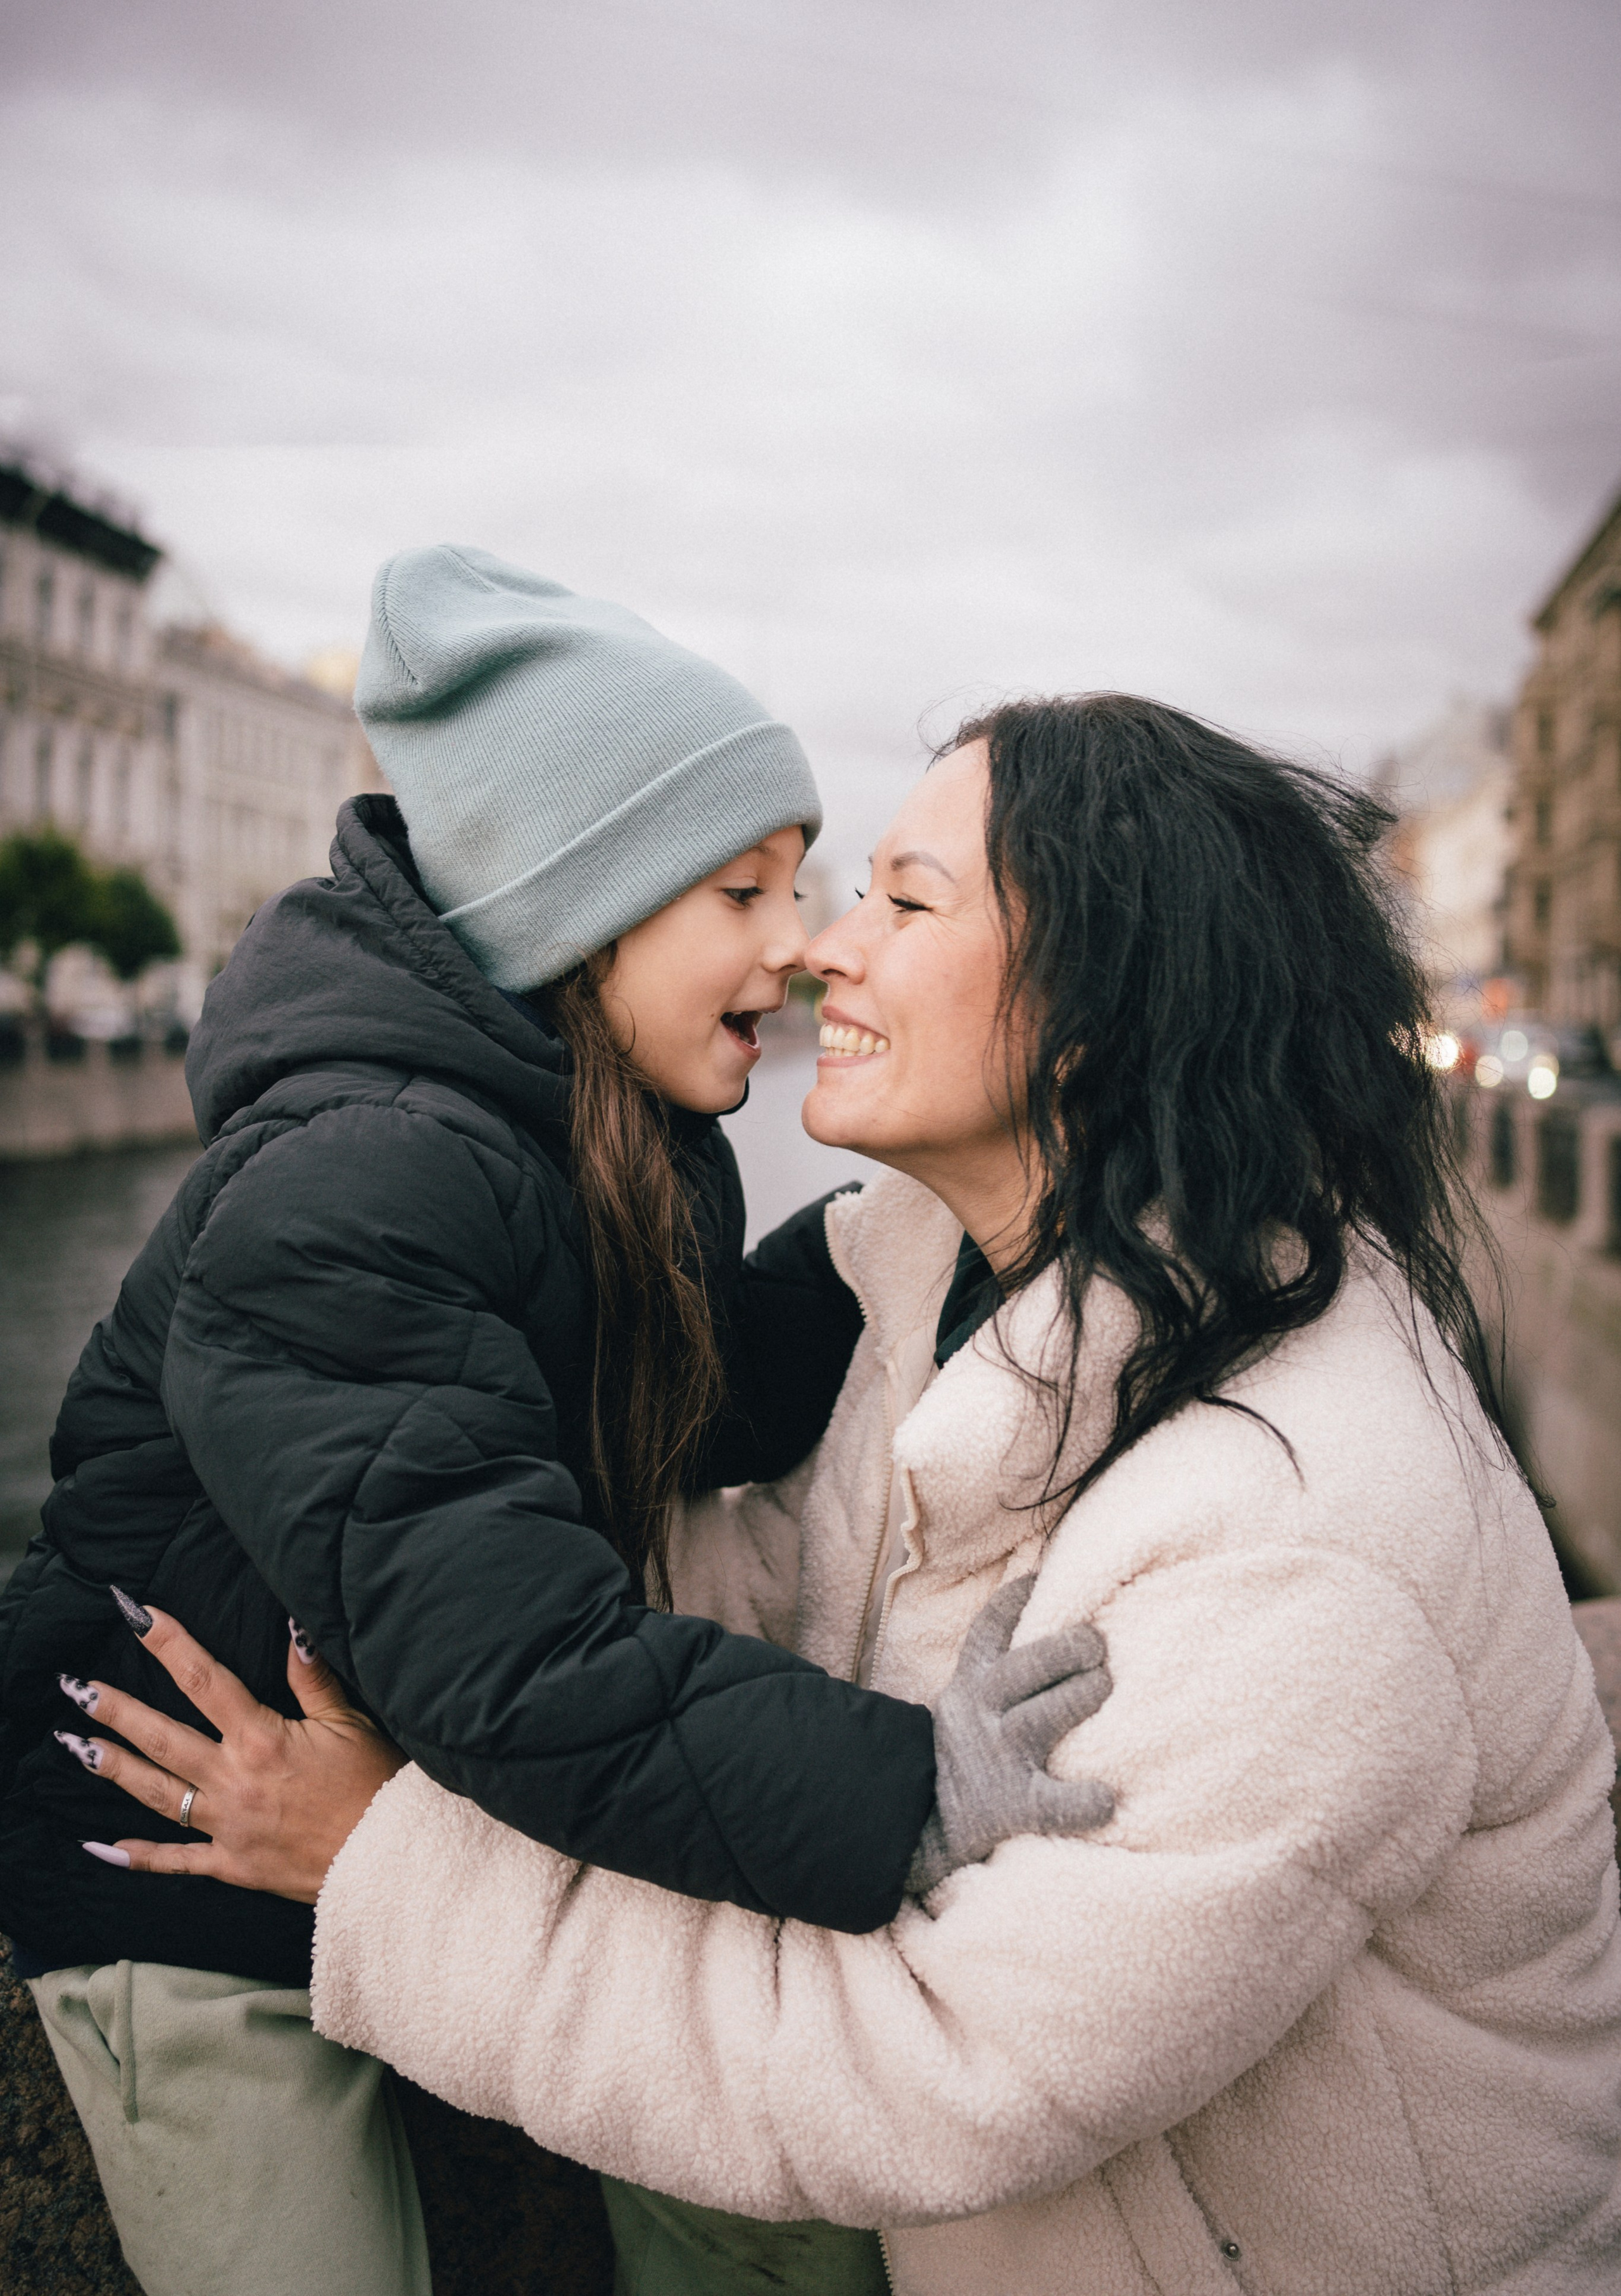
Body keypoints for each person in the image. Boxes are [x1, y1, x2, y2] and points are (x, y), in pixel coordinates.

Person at [92, 694, 1621, 2293]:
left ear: (1097, 1012)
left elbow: (934, 2071)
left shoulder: (1308, 1541)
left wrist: (381, 1869)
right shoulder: (948, 1279)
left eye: (902, 899)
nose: (827, 949)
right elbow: (776, 1571)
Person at [0, 552, 1104, 2296]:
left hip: (430, 1820)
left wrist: (923, 1203)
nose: (800, 944)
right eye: (742, 891)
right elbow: (516, 1661)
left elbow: (707, 1390)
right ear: (574, 911)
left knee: (758, 2212)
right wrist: (911, 1789)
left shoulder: (581, 1135)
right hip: (191, 1891)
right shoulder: (355, 1178)